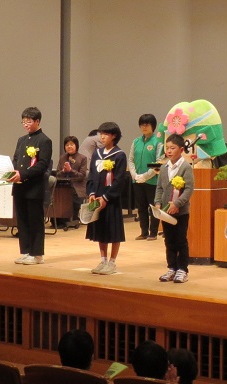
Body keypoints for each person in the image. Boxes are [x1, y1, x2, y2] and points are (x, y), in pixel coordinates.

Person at [8, 107, 52, 266]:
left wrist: (23, 174)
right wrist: (12, 172)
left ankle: (37, 254)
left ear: (37, 121)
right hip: (19, 186)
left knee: (35, 221)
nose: (25, 124)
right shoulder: (21, 140)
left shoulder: (44, 140)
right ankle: (25, 252)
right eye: (23, 121)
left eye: (29, 121)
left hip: (34, 187)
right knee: (22, 221)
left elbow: (42, 165)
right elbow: (16, 159)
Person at [86, 122, 126, 275]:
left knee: (114, 231)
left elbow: (119, 180)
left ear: (114, 136)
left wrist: (106, 197)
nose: (102, 137)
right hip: (97, 197)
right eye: (101, 134)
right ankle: (103, 260)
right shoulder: (97, 153)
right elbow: (92, 175)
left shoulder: (119, 155)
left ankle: (112, 262)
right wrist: (91, 193)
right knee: (100, 230)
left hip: (111, 199)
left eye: (106, 134)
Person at [154, 134, 194, 284]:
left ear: (181, 150)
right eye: (167, 148)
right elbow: (159, 188)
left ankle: (182, 270)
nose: (169, 151)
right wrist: (158, 203)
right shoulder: (164, 168)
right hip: (165, 212)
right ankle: (171, 268)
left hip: (180, 212)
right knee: (169, 240)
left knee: (180, 240)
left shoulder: (185, 167)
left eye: (173, 148)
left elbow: (189, 190)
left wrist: (177, 204)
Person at [128, 114, 163, 241]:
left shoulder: (158, 142)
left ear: (153, 126)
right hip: (137, 180)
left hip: (152, 181)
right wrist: (135, 175)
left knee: (153, 207)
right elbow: (131, 160)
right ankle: (143, 232)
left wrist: (145, 176)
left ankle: (153, 232)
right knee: (141, 207)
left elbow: (158, 162)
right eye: (142, 124)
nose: (144, 127)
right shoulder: (136, 141)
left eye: (147, 124)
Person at [56, 136, 88, 227]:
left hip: (77, 186)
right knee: (57, 193)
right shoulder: (62, 158)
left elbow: (82, 176)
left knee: (72, 194)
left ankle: (72, 220)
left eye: (71, 144)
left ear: (76, 146)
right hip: (63, 185)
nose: (69, 146)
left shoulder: (82, 158)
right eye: (67, 145)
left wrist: (71, 170)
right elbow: (57, 174)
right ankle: (58, 220)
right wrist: (63, 171)